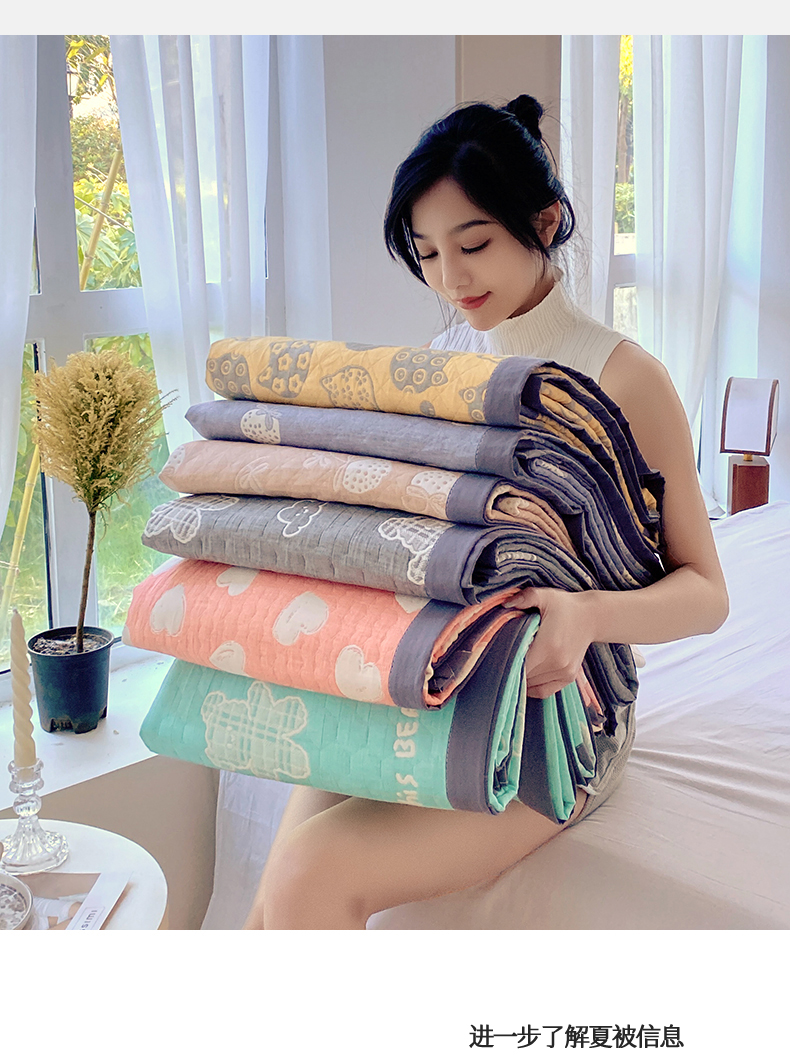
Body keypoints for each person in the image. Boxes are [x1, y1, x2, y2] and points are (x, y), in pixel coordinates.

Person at [243, 95, 729, 931]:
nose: (451, 280)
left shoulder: (621, 379)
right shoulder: (438, 364)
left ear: (545, 222)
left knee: (308, 871)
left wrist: (585, 614)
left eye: (473, 246)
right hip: (435, 679)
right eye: (428, 253)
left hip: (561, 712)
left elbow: (707, 592)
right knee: (282, 870)